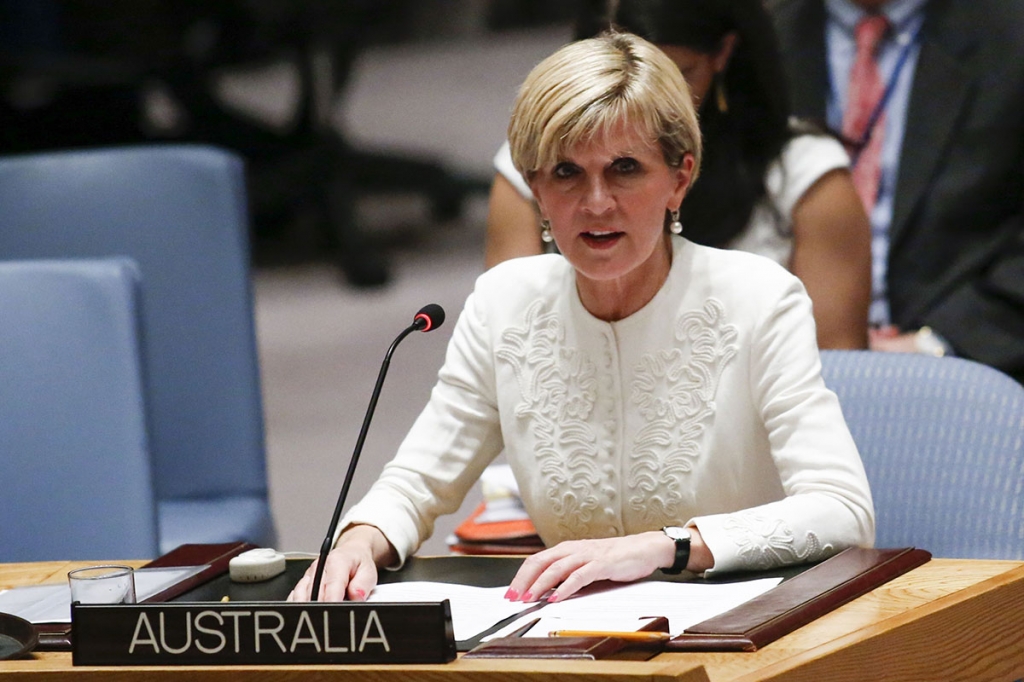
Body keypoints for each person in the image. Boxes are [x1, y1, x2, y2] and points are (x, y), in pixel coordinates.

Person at [289, 32, 874, 604]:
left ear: (679, 178)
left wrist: (665, 547)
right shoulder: (504, 304)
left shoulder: (760, 299)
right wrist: (359, 541)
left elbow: (843, 511)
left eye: (624, 168)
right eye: (567, 173)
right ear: (536, 190)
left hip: (743, 630)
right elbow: (418, 483)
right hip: (577, 641)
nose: (596, 203)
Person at [485, 0, 872, 351]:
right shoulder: (530, 169)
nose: (655, 101)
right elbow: (505, 350)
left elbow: (837, 377)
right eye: (568, 173)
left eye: (678, 75)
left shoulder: (807, 179)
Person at [770, 0, 1024, 381]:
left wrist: (940, 344)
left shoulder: (1010, 35)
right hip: (785, 367)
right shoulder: (756, 37)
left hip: (977, 366)